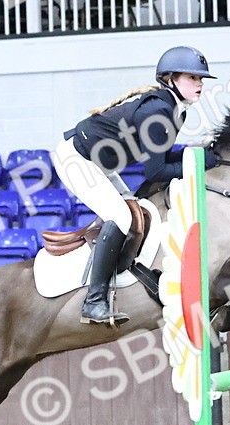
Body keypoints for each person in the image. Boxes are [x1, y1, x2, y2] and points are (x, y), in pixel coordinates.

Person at [53, 45, 219, 325]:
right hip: (77, 159)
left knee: (135, 209)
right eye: (192, 78)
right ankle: (93, 302)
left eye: (201, 78)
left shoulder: (177, 112)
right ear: (170, 79)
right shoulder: (158, 111)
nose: (200, 84)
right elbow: (156, 171)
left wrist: (199, 155)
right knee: (120, 216)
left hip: (98, 163)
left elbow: (163, 156)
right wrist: (200, 165)